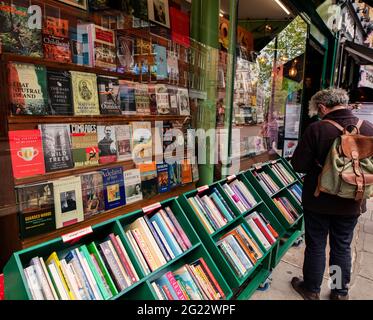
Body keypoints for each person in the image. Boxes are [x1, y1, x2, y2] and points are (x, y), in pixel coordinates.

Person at [291, 88, 373, 300]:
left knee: (316, 244)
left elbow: (299, 165)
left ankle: (311, 289)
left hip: (318, 200)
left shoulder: (317, 129)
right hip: (352, 201)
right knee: (341, 245)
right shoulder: (368, 128)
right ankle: (338, 291)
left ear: (322, 107)